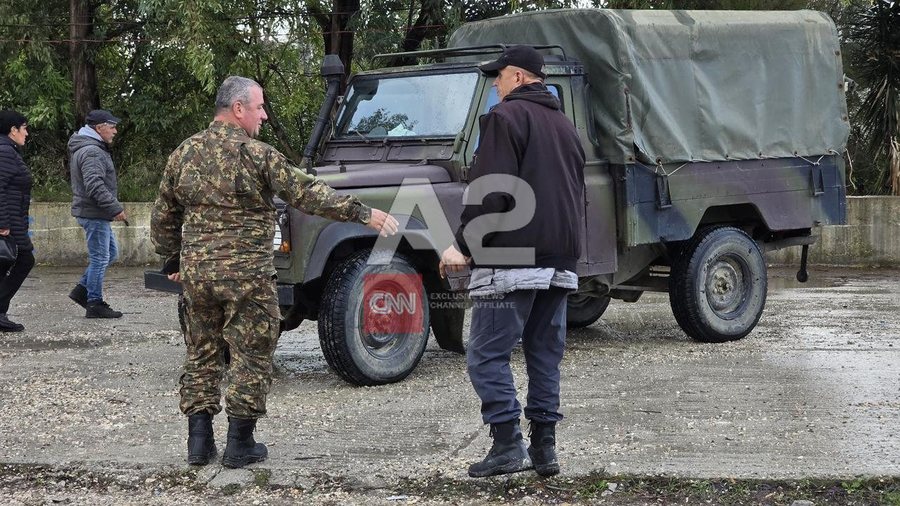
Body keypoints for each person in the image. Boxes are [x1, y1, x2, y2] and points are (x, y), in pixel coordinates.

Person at [151, 76, 399, 468]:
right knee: (251, 355)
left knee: (202, 353)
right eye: (259, 107)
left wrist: (172, 261)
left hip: (198, 276)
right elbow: (308, 193)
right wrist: (363, 213)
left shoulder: (184, 153)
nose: (263, 115)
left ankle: (198, 444)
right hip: (247, 277)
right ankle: (240, 445)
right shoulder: (259, 155)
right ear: (238, 109)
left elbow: (164, 214)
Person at [440, 45, 586, 478]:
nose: (495, 84)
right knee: (544, 353)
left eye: (499, 76)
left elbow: (492, 192)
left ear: (519, 77)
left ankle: (507, 445)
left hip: (512, 259)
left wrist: (461, 245)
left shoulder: (505, 119)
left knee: (486, 353)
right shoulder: (565, 127)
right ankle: (545, 450)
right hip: (560, 259)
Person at [67, 109, 127, 318]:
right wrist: (115, 208)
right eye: (112, 127)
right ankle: (94, 303)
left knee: (110, 254)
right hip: (94, 213)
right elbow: (94, 186)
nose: (115, 131)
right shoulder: (92, 151)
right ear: (99, 128)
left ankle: (81, 291)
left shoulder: (89, 147)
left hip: (94, 212)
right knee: (101, 257)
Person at [0, 110, 34, 332]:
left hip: (14, 220)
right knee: (24, 260)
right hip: (9, 222)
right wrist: (2, 223)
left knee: (5, 266)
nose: (27, 133)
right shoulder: (4, 152)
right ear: (13, 130)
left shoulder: (8, 151)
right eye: (24, 128)